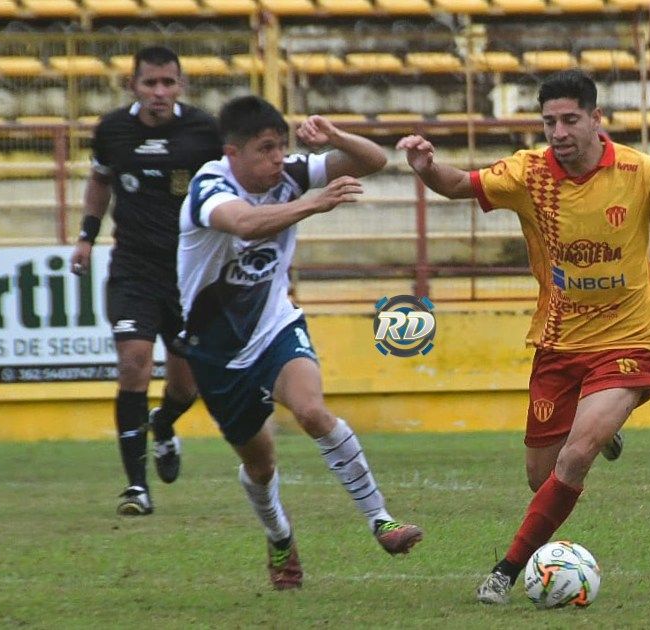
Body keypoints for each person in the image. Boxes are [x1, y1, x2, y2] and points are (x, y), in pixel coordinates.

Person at [396, 69, 650, 604]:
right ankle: (602, 428)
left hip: (626, 340)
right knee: (541, 478)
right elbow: (459, 184)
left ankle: (506, 571)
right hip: (558, 342)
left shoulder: (639, 171)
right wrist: (426, 169)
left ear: (595, 119)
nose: (558, 132)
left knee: (575, 458)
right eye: (549, 122)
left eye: (569, 120)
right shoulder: (528, 173)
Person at [176, 95, 423, 590]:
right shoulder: (208, 186)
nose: (277, 159)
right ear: (232, 153)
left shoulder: (287, 173)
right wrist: (314, 202)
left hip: (275, 326)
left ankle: (381, 520)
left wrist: (336, 138)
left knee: (311, 411)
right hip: (217, 350)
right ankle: (279, 535)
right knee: (260, 463)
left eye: (280, 147)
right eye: (265, 149)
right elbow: (244, 223)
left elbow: (374, 161)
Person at [69, 46, 223, 516]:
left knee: (186, 388)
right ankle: (136, 487)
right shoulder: (113, 130)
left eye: (168, 83)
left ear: (181, 86)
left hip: (188, 275)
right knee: (134, 363)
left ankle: (165, 423)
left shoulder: (204, 132)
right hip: (133, 269)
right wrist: (86, 237)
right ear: (132, 86)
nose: (159, 92)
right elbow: (100, 181)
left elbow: (230, 187)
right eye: (150, 83)